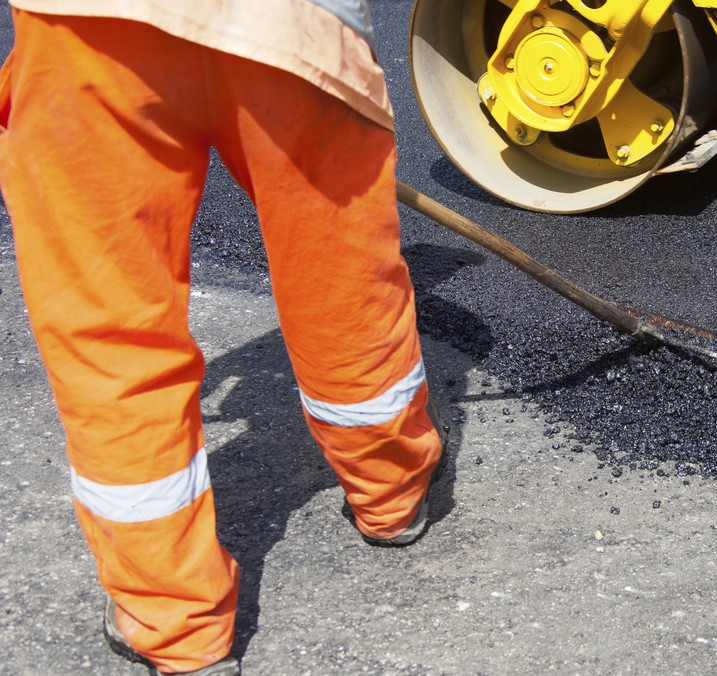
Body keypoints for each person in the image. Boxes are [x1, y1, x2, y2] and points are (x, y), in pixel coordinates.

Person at [0, 2, 446, 674]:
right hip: (293, 31)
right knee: (342, 280)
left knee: (112, 332)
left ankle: (175, 623)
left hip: (91, 33)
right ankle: (391, 495)